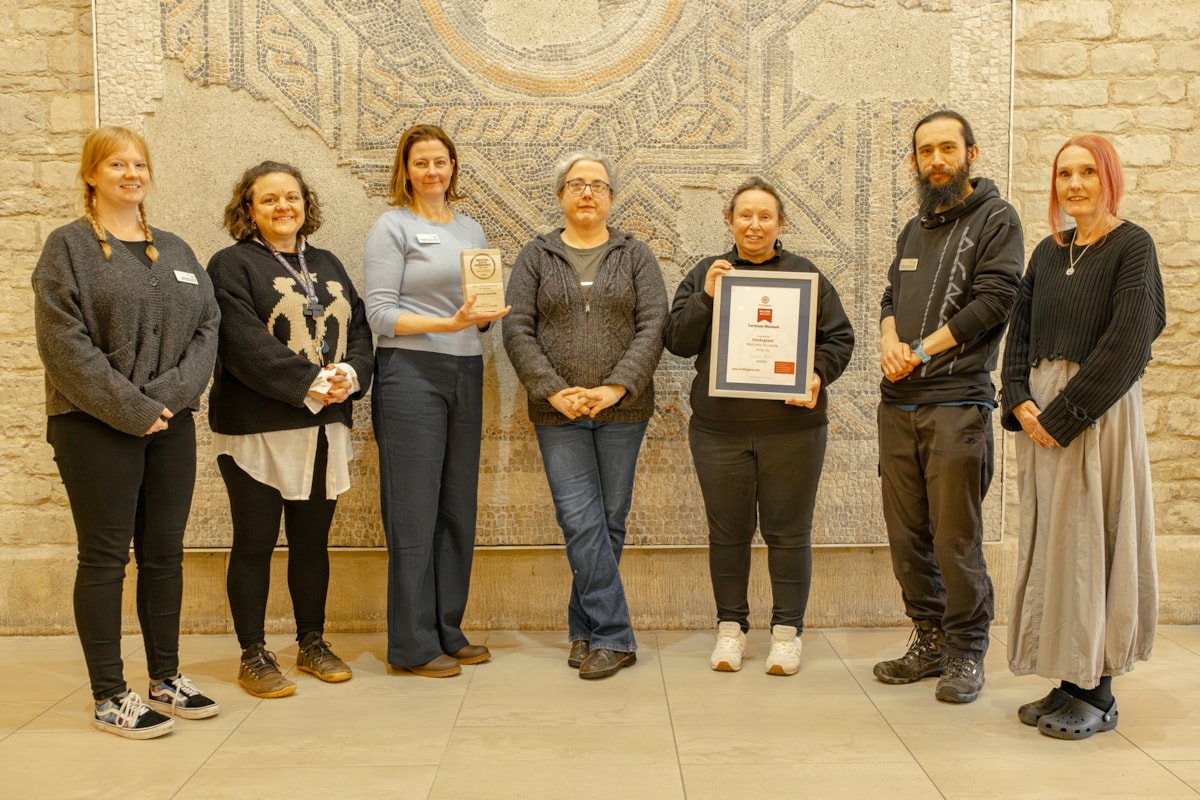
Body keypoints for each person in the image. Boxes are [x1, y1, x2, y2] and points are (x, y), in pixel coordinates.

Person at [33, 126, 221, 738]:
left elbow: (207, 329)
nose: (131, 173)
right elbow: (64, 347)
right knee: (106, 557)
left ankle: (165, 677)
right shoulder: (67, 248)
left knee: (165, 554)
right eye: (117, 164)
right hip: (92, 425)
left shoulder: (177, 250)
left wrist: (163, 401)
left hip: (172, 423)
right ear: (92, 175)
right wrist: (132, 407)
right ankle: (109, 693)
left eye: (140, 163)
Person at [1001, 135, 1164, 740]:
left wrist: (1064, 416)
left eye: (1087, 172)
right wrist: (1018, 398)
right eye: (1064, 173)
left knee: (1096, 538)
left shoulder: (1132, 247)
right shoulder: (1048, 251)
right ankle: (1069, 679)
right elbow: (1018, 332)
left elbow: (1129, 343)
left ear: (1108, 178)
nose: (1075, 184)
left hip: (1095, 416)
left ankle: (1098, 691)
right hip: (1040, 415)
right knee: (1057, 545)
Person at [663, 177, 854, 676]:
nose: (754, 224)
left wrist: (816, 375)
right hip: (718, 430)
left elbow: (840, 339)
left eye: (765, 216)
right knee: (727, 533)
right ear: (729, 221)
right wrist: (706, 297)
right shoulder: (709, 272)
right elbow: (678, 342)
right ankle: (730, 629)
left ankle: (787, 633)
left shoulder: (805, 276)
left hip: (793, 430)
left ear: (781, 224)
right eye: (744, 215)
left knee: (789, 533)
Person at [208, 161, 374, 698]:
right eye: (270, 200)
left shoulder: (327, 262)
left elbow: (362, 330)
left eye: (293, 197)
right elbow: (240, 342)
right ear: (249, 210)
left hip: (324, 427)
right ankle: (253, 653)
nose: (284, 207)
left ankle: (311, 642)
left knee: (311, 543)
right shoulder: (230, 265)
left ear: (306, 204)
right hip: (257, 429)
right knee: (254, 542)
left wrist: (349, 374)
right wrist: (308, 380)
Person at [873, 110, 1023, 704]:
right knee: (907, 534)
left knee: (954, 537)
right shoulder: (915, 227)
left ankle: (966, 651)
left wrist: (918, 351)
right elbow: (890, 293)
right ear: (915, 161)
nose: (936, 160)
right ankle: (929, 639)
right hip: (897, 404)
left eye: (947, 149)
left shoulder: (996, 219)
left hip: (957, 402)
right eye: (925, 151)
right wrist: (888, 342)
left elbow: (996, 300)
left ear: (971, 154)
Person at [503, 150, 666, 679]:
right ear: (561, 196)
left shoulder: (635, 255)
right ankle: (616, 636)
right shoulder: (535, 256)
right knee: (580, 520)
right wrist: (553, 390)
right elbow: (517, 330)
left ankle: (585, 630)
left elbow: (653, 324)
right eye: (576, 184)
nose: (587, 193)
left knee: (608, 521)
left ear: (611, 197)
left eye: (597, 185)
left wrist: (618, 386)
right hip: (559, 413)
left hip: (625, 409)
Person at [364, 125, 509, 678]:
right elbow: (379, 315)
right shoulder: (392, 226)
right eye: (421, 162)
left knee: (456, 509)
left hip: (466, 368)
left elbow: (476, 301)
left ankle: (449, 627)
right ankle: (411, 644)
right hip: (410, 373)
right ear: (405, 170)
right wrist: (447, 321)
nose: (433, 171)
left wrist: (486, 315)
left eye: (441, 162)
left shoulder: (470, 228)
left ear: (453, 167)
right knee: (414, 510)